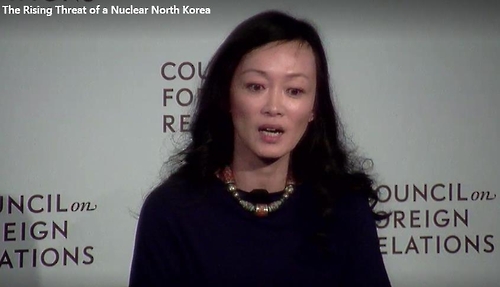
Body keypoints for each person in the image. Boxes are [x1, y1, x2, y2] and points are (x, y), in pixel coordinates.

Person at [129, 10, 391, 286]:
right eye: (256, 86)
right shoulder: (173, 211)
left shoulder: (345, 209)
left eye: (294, 91)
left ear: (314, 108)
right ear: (227, 96)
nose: (274, 108)